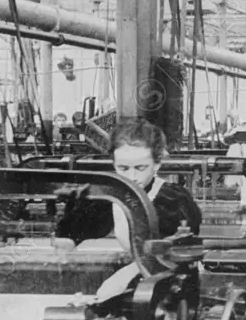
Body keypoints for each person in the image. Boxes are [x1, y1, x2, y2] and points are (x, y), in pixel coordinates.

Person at [54, 118, 202, 302]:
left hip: (172, 284)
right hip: (139, 273)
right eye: (123, 168)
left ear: (157, 164)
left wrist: (124, 276)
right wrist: (64, 248)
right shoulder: (111, 196)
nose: (131, 177)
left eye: (141, 168)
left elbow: (172, 254)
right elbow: (76, 228)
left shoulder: (174, 201)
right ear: (113, 163)